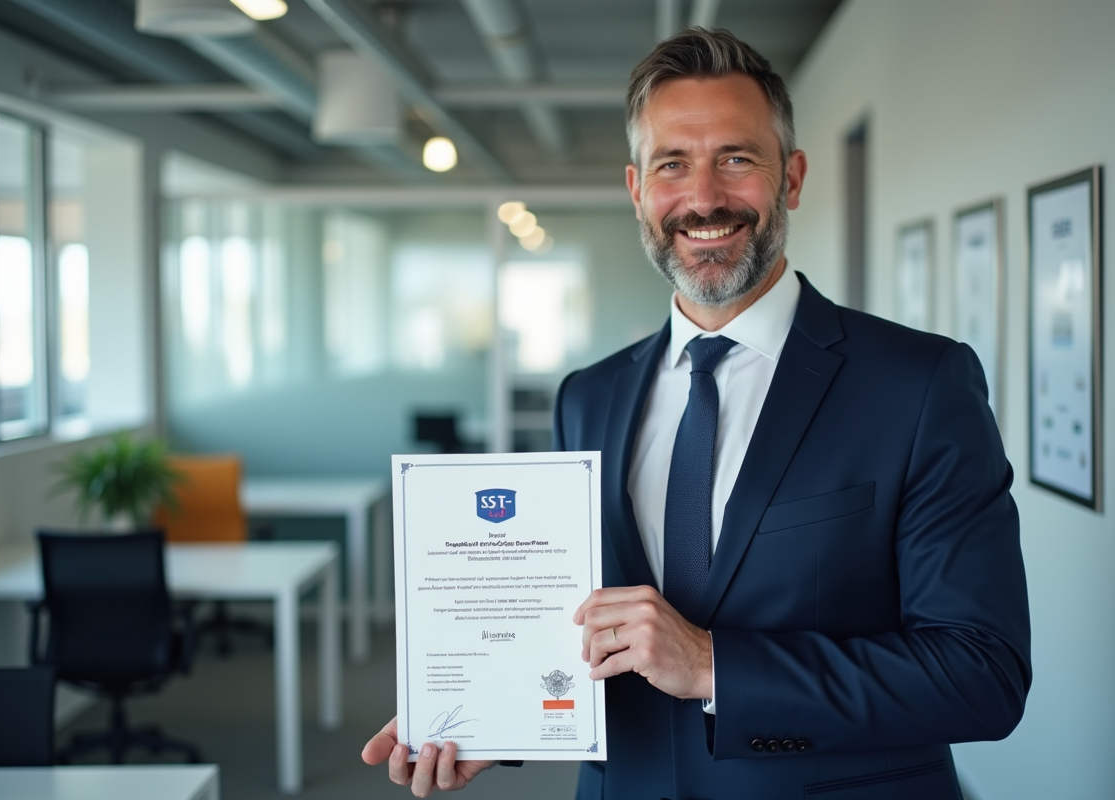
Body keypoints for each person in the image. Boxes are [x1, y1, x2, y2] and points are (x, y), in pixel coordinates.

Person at [364, 27, 1031, 799]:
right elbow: (585, 635)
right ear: (637, 189)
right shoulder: (589, 397)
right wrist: (493, 716)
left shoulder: (919, 384)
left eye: (737, 159)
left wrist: (714, 665)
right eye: (672, 164)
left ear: (793, 177)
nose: (704, 197)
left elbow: (983, 672)